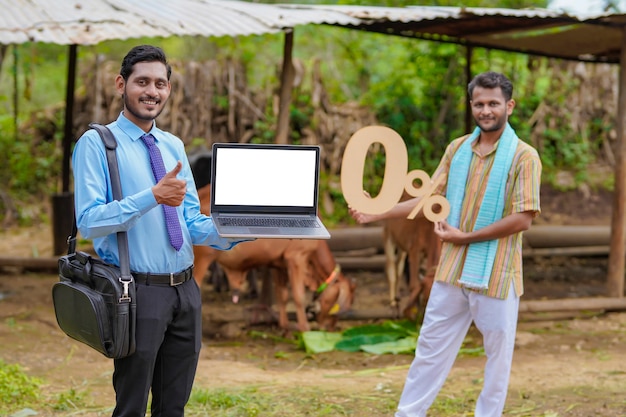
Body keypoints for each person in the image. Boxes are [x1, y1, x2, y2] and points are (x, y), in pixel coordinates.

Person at [349, 71, 541, 417]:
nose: (486, 110)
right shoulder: (457, 149)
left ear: (509, 106)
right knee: (430, 348)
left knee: (498, 357)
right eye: (479, 104)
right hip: (451, 269)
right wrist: (375, 213)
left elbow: (523, 218)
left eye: (493, 103)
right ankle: (408, 414)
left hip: (496, 273)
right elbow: (428, 197)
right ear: (471, 106)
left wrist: (465, 237)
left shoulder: (524, 157)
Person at [72, 45, 247, 417]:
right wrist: (151, 196)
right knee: (132, 405)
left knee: (174, 405)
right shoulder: (98, 144)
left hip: (185, 291)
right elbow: (90, 220)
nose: (152, 91)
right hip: (137, 290)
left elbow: (191, 223)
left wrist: (243, 229)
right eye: (142, 82)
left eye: (161, 84)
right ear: (122, 84)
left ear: (168, 90)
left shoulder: (172, 145)